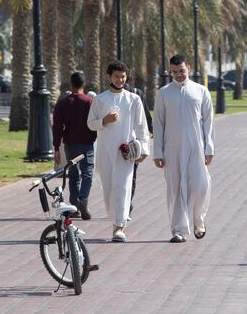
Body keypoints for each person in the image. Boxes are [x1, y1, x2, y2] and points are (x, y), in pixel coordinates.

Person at [152, 54, 215, 243]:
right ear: (170, 71)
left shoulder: (201, 91)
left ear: (189, 68)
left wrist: (209, 148)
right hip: (172, 149)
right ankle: (178, 229)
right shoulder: (164, 93)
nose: (179, 75)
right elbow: (158, 123)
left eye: (182, 71)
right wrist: (158, 152)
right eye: (175, 72)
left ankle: (198, 219)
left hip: (196, 146)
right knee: (176, 188)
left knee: (200, 185)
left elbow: (209, 122)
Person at [87, 60, 149, 242]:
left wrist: (143, 148)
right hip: (105, 151)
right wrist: (104, 120)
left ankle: (119, 227)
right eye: (116, 76)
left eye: (123, 77)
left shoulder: (133, 99)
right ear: (109, 77)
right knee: (108, 189)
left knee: (123, 187)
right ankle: (114, 219)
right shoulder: (100, 100)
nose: (120, 80)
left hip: (125, 152)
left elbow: (141, 126)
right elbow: (90, 124)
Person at [52, 71, 97, 220]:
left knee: (73, 174)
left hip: (70, 144)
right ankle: (83, 199)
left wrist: (56, 147)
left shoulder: (63, 103)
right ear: (83, 85)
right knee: (87, 173)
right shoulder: (90, 102)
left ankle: (75, 206)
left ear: (71, 85)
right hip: (87, 143)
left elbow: (57, 127)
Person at [125, 70, 154, 220]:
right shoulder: (137, 94)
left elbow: (146, 117)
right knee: (131, 175)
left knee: (126, 174)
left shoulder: (136, 95)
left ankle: (125, 205)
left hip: (128, 143)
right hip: (130, 143)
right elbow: (148, 117)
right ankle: (126, 204)